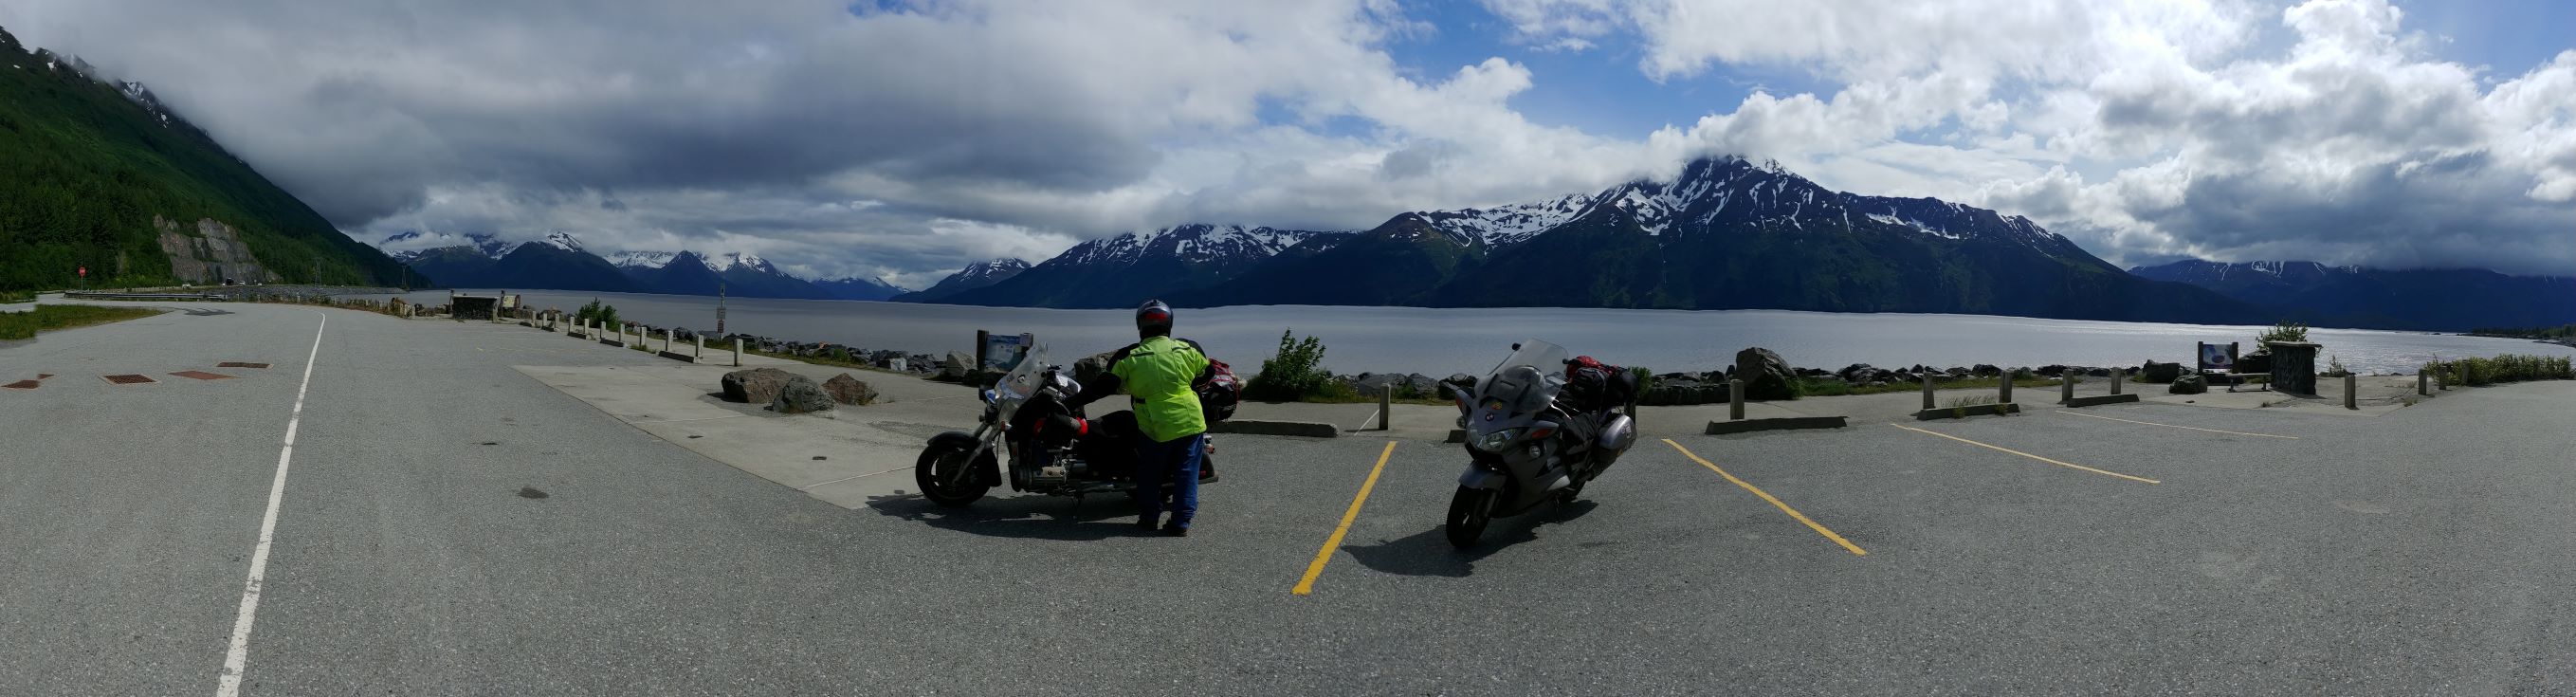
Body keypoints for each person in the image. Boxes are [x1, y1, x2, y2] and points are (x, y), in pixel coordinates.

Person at [1065, 300, 1211, 536]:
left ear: (1140, 324)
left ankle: (1149, 518)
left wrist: (1069, 403)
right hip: (1191, 420)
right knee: (1186, 473)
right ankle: (1181, 523)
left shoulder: (1129, 356)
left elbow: (1100, 388)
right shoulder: (1187, 349)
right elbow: (1207, 373)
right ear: (1169, 323)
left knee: (1150, 471)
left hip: (1155, 424)